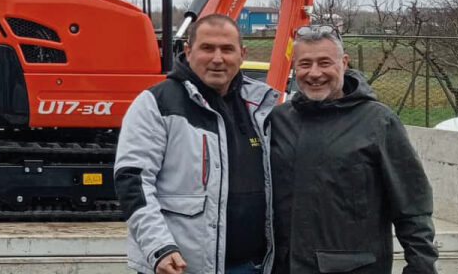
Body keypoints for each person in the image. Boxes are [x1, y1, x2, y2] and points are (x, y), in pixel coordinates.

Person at [115, 14, 280, 274]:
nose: (218, 58)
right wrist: (159, 247)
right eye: (207, 48)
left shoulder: (259, 106)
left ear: (242, 54)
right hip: (179, 267)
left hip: (251, 266)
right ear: (188, 50)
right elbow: (133, 181)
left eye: (227, 49)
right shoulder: (156, 104)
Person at [269, 25, 438, 274]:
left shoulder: (378, 122)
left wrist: (421, 267)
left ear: (344, 63)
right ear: (295, 67)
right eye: (305, 64)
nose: (314, 73)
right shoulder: (278, 120)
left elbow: (412, 206)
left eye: (324, 63)